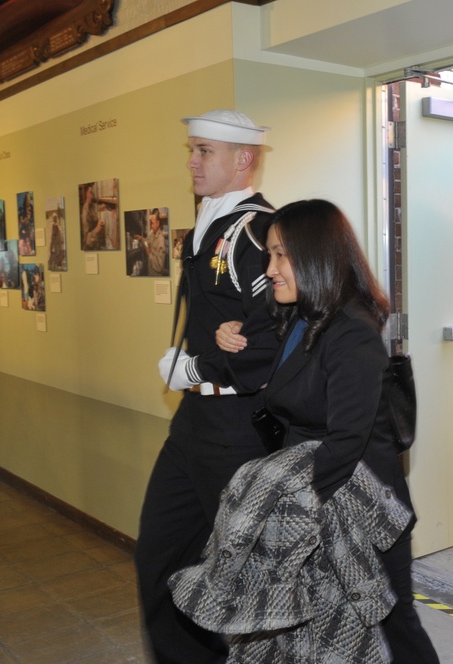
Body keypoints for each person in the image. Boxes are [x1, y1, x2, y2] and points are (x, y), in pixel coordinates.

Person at [214, 199, 440, 662]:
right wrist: (228, 330)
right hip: (320, 502)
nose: (271, 268)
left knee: (395, 628)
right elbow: (265, 352)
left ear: (316, 258)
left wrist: (276, 505)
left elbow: (345, 443)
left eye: (281, 255)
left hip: (361, 510)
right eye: (269, 254)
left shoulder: (351, 331)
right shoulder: (302, 317)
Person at [134, 109, 278, 664]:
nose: (192, 161)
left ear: (243, 159)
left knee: (247, 578)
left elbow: (271, 336)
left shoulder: (260, 230)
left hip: (237, 427)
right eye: (191, 150)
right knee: (162, 557)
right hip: (194, 423)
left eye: (205, 151)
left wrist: (198, 368)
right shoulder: (206, 227)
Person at [137, 208, 168, 276]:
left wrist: (149, 254)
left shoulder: (161, 240)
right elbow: (147, 242)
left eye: (152, 223)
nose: (151, 226)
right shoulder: (152, 234)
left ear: (158, 223)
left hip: (156, 276)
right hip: (150, 273)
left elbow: (159, 266)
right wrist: (141, 238)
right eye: (150, 223)